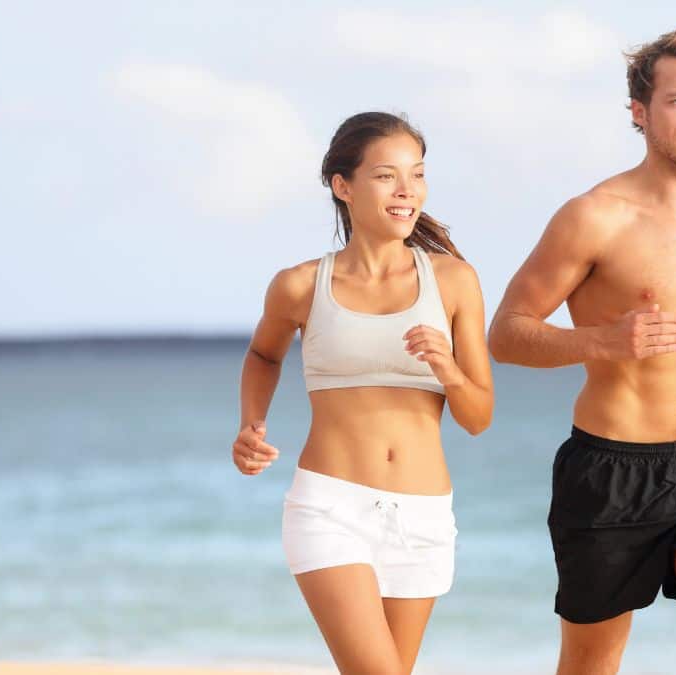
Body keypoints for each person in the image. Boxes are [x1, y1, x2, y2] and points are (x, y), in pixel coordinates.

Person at [488, 30, 676, 675]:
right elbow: (506, 333)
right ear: (640, 113)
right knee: (592, 665)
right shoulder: (594, 216)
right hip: (610, 469)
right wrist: (601, 341)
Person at [232, 111, 493, 675]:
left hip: (423, 515)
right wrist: (251, 423)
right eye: (386, 176)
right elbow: (262, 355)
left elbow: (479, 417)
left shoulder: (454, 281)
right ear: (342, 186)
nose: (407, 191)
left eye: (417, 175)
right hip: (331, 508)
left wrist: (448, 368)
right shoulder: (301, 284)